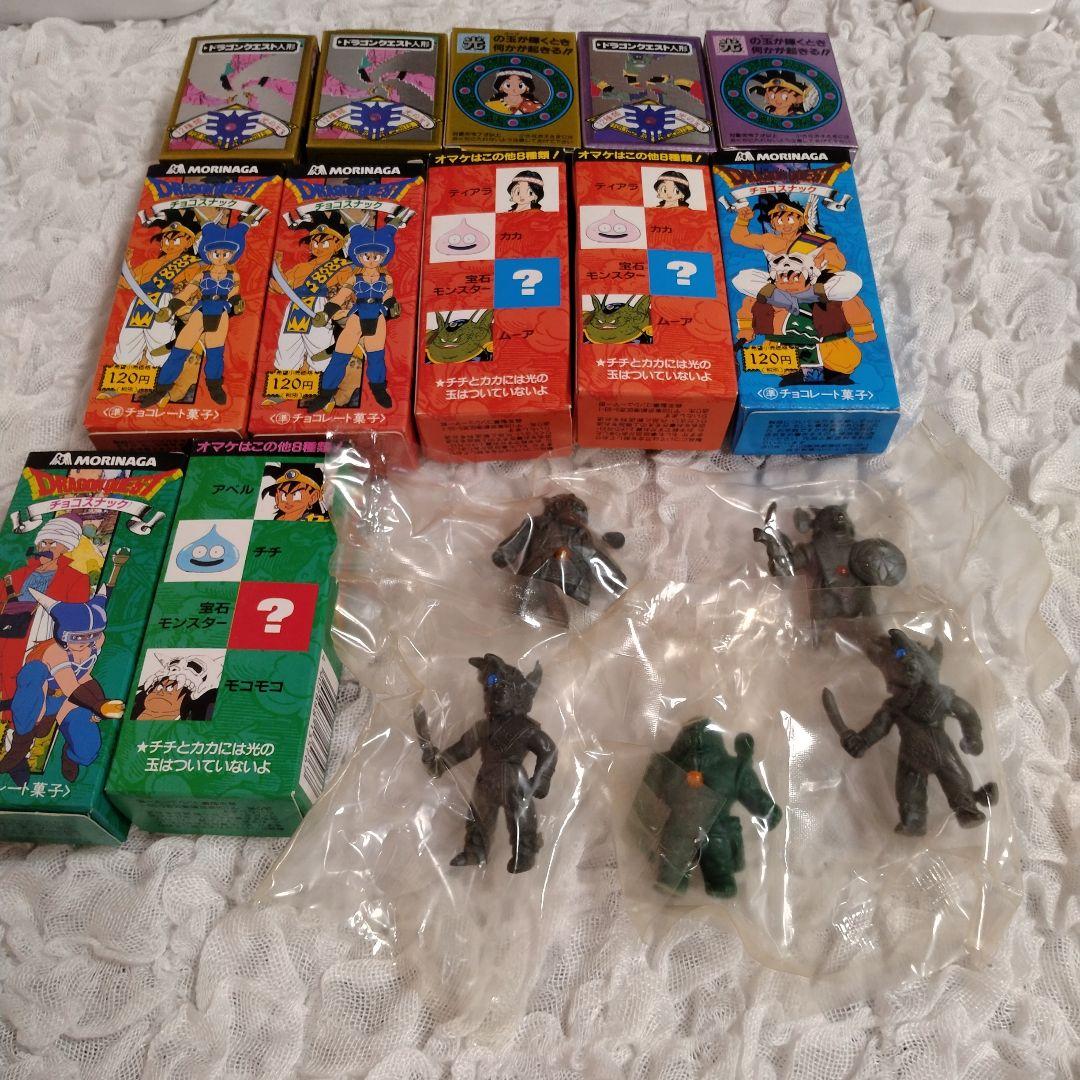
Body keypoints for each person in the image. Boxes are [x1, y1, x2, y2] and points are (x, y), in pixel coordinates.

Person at [0, 591, 120, 786]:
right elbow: (70, 685)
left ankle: (70, 755)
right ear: (62, 634)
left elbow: (84, 677)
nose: (86, 642)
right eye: (77, 637)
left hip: (66, 698)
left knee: (88, 748)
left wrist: (98, 704)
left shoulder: (97, 642)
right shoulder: (55, 652)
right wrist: (98, 705)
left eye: (93, 635)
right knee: (33, 679)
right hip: (40, 694)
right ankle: (17, 755)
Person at [140, 220, 249, 408]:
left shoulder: (234, 276)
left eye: (225, 253)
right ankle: (160, 390)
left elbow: (233, 294)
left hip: (221, 313)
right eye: (216, 253)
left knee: (215, 354)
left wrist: (236, 304)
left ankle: (214, 387)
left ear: (232, 254)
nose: (220, 257)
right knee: (179, 351)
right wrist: (170, 308)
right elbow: (187, 293)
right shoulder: (201, 275)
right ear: (208, 253)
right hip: (200, 311)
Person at [303, 223, 400, 412]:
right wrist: (326, 313)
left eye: (376, 256)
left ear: (383, 257)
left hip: (378, 315)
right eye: (366, 256)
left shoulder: (387, 278)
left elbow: (388, 296)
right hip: (357, 315)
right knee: (340, 356)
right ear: (358, 256)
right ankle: (325, 394)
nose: (371, 260)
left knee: (376, 357)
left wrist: (392, 306)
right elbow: (341, 297)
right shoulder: (354, 278)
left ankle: (379, 390)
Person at [0, 517, 91, 716]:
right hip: (6, 628)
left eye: (53, 543)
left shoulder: (76, 578)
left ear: (65, 547)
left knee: (20, 675)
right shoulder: (16, 575)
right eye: (43, 542)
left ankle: (17, 722)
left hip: (38, 635)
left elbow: (75, 616)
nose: (46, 548)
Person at [108, 208, 202, 388]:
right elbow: (129, 284)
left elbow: (195, 287)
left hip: (166, 302)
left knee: (160, 340)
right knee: (128, 340)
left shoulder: (191, 264)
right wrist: (125, 265)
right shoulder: (150, 264)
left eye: (176, 239)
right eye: (166, 239)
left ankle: (158, 383)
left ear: (189, 242)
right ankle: (118, 384)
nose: (169, 243)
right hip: (141, 302)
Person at [268, 210, 353, 397]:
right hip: (296, 307)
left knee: (319, 347)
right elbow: (281, 288)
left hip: (321, 307)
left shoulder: (343, 268)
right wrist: (276, 267)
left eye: (324, 242)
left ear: (338, 244)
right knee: (288, 346)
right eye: (315, 242)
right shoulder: (301, 267)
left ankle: (325, 392)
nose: (318, 246)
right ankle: (282, 392)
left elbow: (347, 293)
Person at [729, 192, 845, 273]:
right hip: (780, 285)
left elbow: (837, 263)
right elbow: (740, 238)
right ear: (773, 224)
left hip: (813, 285)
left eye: (790, 219)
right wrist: (742, 220)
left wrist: (821, 276)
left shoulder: (817, 240)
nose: (785, 224)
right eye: (779, 221)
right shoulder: (768, 239)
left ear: (801, 221)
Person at [260, 465, 328, 522]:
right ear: (277, 497)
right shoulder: (276, 519)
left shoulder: (315, 521)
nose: (288, 500)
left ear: (313, 497)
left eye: (296, 495)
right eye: (284, 495)